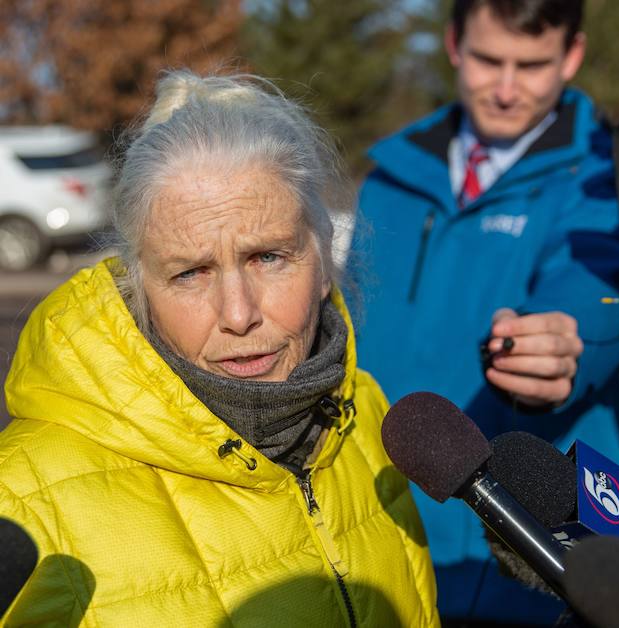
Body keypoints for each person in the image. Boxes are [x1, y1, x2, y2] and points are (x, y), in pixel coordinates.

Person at [0, 71, 438, 626]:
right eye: (190, 273)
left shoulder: (371, 417)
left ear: (324, 259)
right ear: (139, 289)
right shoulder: (20, 494)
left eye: (269, 258)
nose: (237, 314)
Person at [353, 0, 619, 623]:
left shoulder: (611, 177)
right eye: (491, 60)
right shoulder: (391, 177)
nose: (509, 88)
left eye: (533, 64)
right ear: (455, 45)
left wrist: (568, 339)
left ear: (571, 56)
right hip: (388, 527)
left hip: (537, 544)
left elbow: (603, 283)